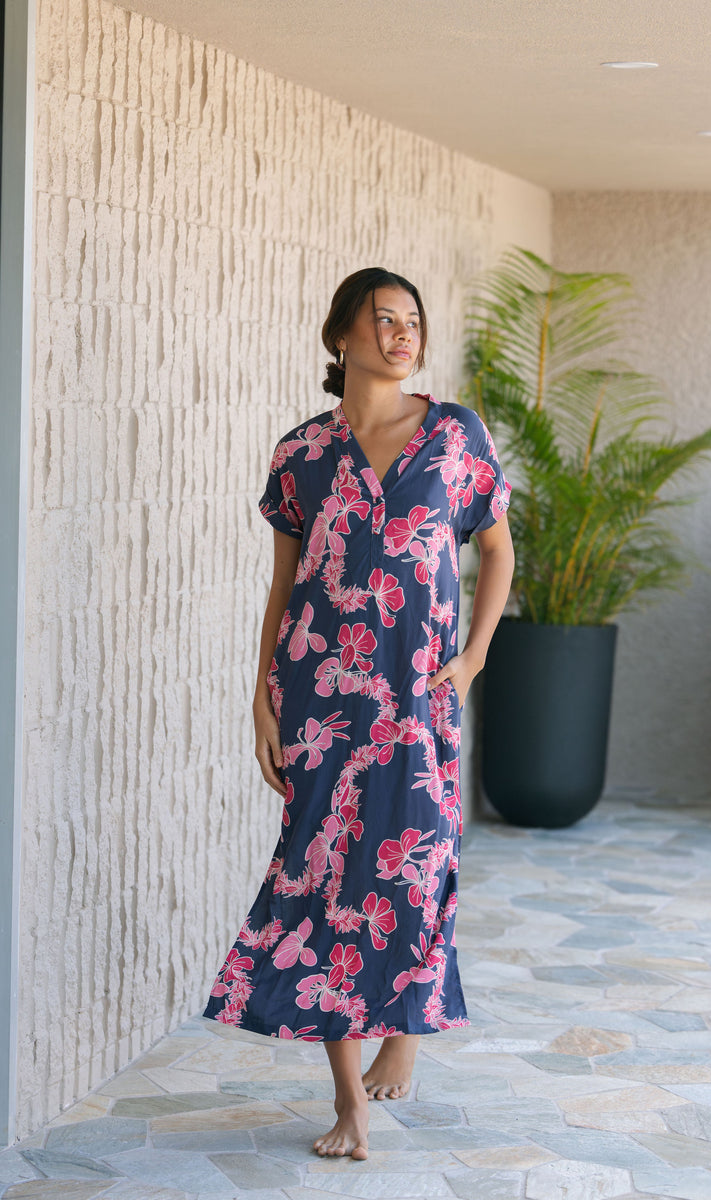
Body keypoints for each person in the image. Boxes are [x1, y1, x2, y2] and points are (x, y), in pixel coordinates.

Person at [203, 267, 515, 1160]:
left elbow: (495, 553)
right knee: (324, 880)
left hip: (419, 702)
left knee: (418, 869)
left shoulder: (455, 435)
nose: (401, 332)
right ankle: (349, 1103)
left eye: (411, 319)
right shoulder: (302, 452)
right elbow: (284, 588)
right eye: (382, 319)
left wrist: (472, 661)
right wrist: (262, 698)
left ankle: (407, 1028)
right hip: (319, 701)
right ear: (341, 336)